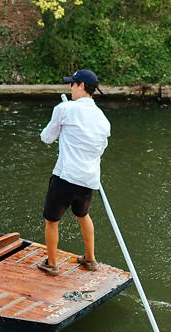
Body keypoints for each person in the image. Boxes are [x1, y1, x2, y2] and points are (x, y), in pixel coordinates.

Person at [38, 69, 111, 276]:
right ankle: (90, 258)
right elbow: (100, 148)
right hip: (89, 180)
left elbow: (47, 137)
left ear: (80, 86)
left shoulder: (65, 109)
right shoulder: (103, 120)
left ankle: (51, 263)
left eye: (72, 83)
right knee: (83, 215)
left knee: (52, 220)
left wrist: (59, 131)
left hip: (65, 177)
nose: (70, 87)